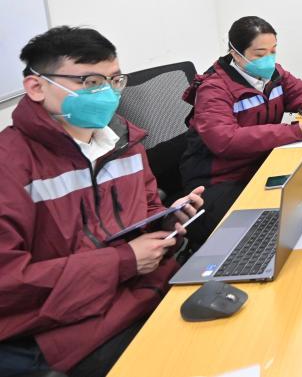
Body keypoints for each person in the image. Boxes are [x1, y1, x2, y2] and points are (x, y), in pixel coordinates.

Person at [0, 27, 203, 377]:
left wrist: (167, 222)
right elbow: (9, 283)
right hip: (73, 330)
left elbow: (147, 207)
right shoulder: (11, 164)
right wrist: (124, 261)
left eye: (114, 80)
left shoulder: (123, 140)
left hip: (147, 291)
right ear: (36, 87)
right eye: (91, 82)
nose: (107, 93)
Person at [180, 16, 302, 247]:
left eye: (273, 50)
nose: (269, 59)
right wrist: (293, 132)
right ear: (236, 54)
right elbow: (225, 140)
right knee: (267, 236)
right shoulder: (214, 89)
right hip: (220, 180)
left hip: (260, 164)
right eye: (260, 54)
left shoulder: (274, 75)